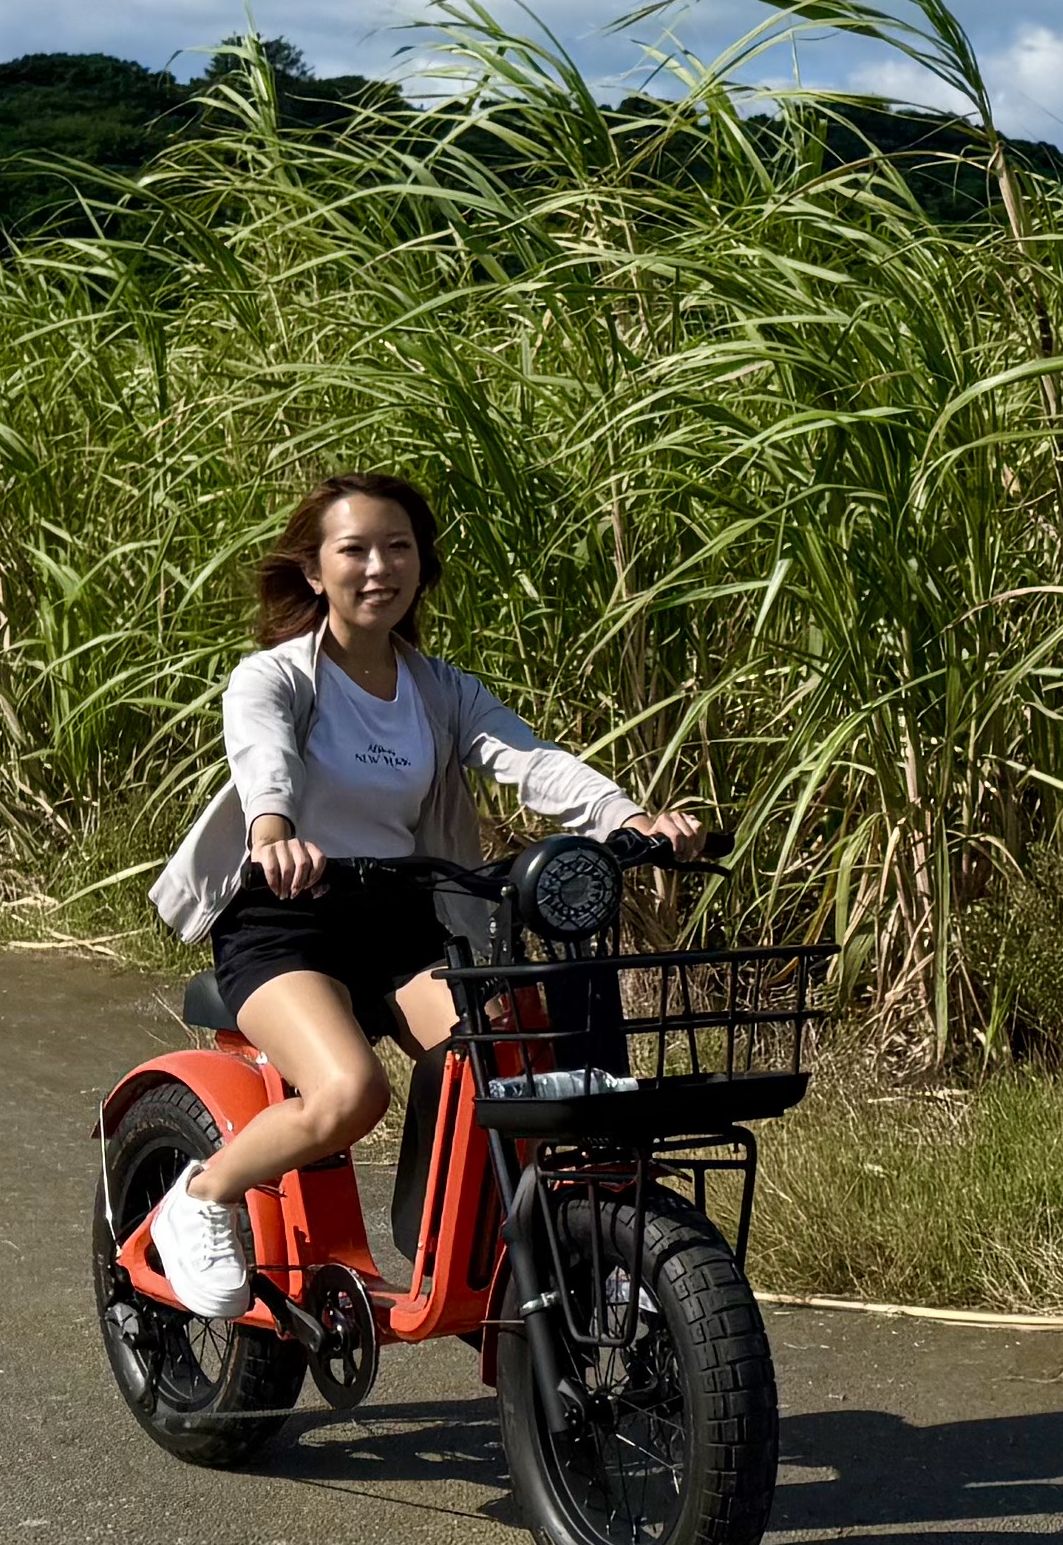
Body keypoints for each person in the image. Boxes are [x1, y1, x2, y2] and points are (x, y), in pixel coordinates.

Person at [139, 474, 701, 1323]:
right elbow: (264, 758)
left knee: (516, 1055)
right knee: (350, 1093)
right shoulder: (275, 678)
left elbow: (530, 759)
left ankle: (454, 1232)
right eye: (354, 550)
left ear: (421, 567)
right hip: (287, 923)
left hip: (402, 922)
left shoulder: (438, 689)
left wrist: (629, 817)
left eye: (397, 547)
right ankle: (203, 1195)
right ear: (314, 572)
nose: (378, 567)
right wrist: (272, 833)